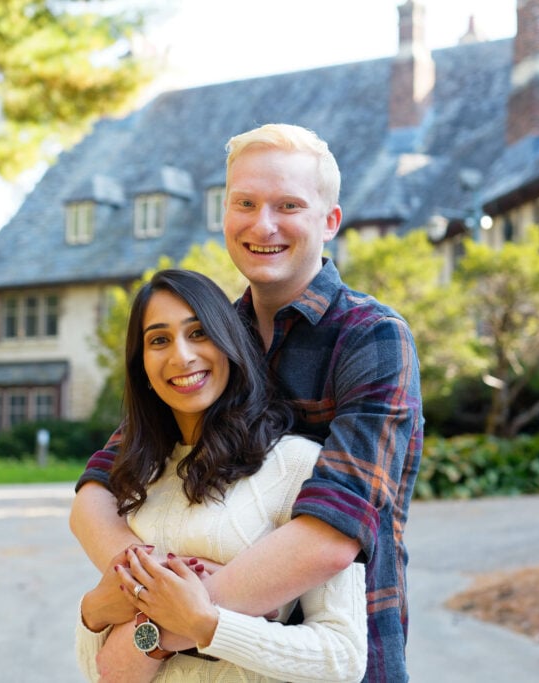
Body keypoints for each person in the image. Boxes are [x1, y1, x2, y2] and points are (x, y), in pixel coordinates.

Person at [71, 123, 423, 682]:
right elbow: (98, 490)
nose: (263, 224)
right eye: (246, 203)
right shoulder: (211, 338)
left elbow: (333, 534)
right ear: (225, 213)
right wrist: (135, 579)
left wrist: (171, 620)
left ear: (330, 221)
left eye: (288, 205)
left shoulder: (370, 337)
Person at [75, 269, 367, 682]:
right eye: (159, 340)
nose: (181, 356)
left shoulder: (298, 467)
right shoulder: (136, 475)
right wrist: (95, 611)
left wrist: (205, 624)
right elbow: (104, 672)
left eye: (198, 333)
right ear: (141, 366)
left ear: (231, 344)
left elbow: (344, 658)